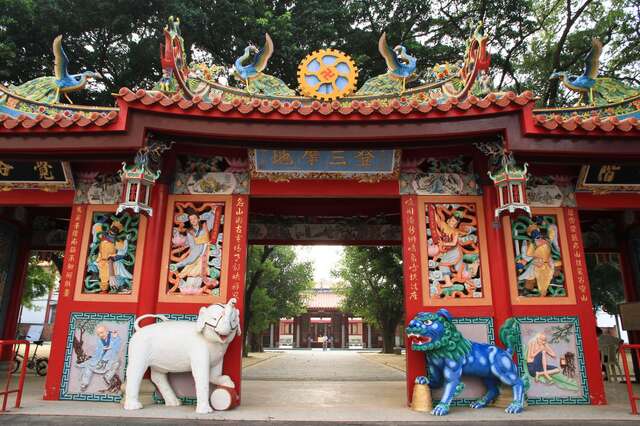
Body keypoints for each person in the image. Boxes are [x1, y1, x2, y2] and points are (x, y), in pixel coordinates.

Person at [170, 207, 218, 294]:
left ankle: (196, 289)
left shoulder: (205, 227)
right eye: (191, 219)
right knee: (192, 273)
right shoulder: (190, 232)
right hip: (195, 255)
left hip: (205, 254)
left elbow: (212, 220)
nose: (193, 221)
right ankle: (188, 289)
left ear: (199, 218)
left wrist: (213, 211)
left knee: (199, 274)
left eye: (194, 218)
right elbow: (192, 246)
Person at [77, 325, 122, 392]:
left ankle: (107, 377)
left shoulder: (114, 336)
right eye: (98, 334)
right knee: (89, 367)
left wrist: (115, 339)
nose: (100, 335)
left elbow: (117, 348)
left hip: (111, 360)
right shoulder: (100, 341)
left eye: (102, 332)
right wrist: (102, 350)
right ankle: (84, 384)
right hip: (100, 361)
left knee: (116, 363)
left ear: (107, 331)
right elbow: (98, 351)